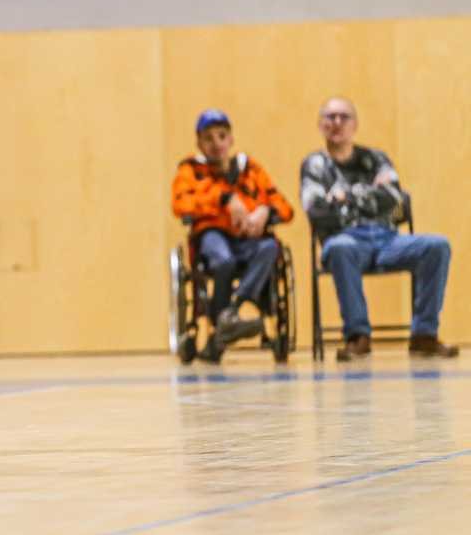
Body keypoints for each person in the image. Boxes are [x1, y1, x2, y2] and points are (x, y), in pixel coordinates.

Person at [300, 97, 457, 361]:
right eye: (330, 117)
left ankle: (424, 335)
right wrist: (372, 194)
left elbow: (395, 200)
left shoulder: (376, 158)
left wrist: (345, 197)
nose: (337, 122)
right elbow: (316, 211)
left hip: (387, 239)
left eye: (344, 117)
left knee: (436, 246)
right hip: (345, 240)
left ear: (355, 125)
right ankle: (358, 336)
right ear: (320, 125)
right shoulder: (314, 165)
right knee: (340, 249)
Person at [171, 109, 294, 362]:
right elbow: (181, 204)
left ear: (231, 139)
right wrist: (223, 199)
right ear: (199, 143)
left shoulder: (250, 169)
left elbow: (284, 207)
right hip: (212, 236)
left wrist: (265, 212)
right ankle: (227, 319)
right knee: (223, 259)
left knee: (270, 248)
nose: (216, 143)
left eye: (221, 136)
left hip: (248, 240)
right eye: (208, 138)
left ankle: (233, 311)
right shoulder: (191, 171)